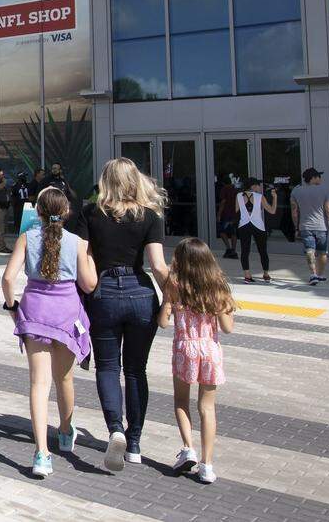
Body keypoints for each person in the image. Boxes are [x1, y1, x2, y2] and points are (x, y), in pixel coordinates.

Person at [1, 187, 97, 478]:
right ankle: (66, 432)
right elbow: (89, 284)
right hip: (66, 312)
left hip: (35, 311)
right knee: (64, 378)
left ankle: (41, 453)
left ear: (38, 212)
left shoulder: (26, 238)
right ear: (66, 212)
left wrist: (12, 306)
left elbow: (7, 279)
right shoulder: (76, 242)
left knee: (38, 384)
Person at [82, 157, 169, 473]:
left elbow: (84, 259)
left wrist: (88, 291)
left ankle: (115, 429)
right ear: (135, 180)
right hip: (141, 293)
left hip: (104, 292)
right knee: (136, 370)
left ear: (105, 181)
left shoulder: (91, 213)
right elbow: (158, 265)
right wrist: (172, 297)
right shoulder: (149, 215)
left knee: (107, 366)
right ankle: (134, 444)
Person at [158, 237, 235, 485]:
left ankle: (188, 448)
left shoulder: (174, 285)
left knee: (181, 401)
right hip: (210, 349)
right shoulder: (218, 287)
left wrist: (167, 304)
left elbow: (163, 323)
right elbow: (228, 328)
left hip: (185, 348)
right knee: (207, 408)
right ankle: (207, 465)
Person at [290, 168, 329, 286]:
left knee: (310, 251)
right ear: (313, 178)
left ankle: (313, 274)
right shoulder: (324, 190)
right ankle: (319, 274)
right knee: (322, 252)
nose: (320, 179)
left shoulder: (296, 191)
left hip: (305, 226)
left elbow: (294, 212)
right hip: (321, 227)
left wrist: (296, 227)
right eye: (319, 176)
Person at [236, 178, 276, 284]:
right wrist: (275, 198)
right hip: (258, 225)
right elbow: (272, 210)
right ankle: (266, 274)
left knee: (245, 250)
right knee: (262, 250)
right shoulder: (259, 197)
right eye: (258, 185)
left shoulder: (239, 196)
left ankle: (247, 275)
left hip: (243, 225)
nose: (260, 187)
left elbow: (236, 210)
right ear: (253, 186)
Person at [215, 176, 238, 260]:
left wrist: (219, 214)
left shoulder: (224, 189)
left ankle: (228, 248)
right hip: (235, 213)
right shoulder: (235, 189)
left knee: (222, 231)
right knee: (233, 232)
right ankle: (233, 250)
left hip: (226, 214)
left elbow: (223, 202)